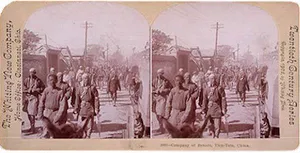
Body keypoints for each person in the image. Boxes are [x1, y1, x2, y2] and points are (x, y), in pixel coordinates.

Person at [74, 73, 99, 138]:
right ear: (82, 79)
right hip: (82, 109)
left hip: (90, 108)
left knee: (89, 126)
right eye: (84, 78)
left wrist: (96, 108)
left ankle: (88, 136)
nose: (85, 80)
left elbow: (96, 98)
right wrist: (76, 109)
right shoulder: (79, 88)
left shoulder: (92, 88)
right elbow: (77, 99)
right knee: (81, 126)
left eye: (87, 78)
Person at [201, 74, 227, 138]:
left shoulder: (219, 88)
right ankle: (213, 134)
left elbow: (223, 99)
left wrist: (223, 109)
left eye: (213, 79)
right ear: (209, 80)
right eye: (211, 79)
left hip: (217, 109)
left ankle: (216, 136)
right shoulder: (206, 89)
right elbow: (204, 100)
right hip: (209, 109)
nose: (212, 80)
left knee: (217, 126)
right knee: (210, 125)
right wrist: (203, 110)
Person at [23, 68, 45, 133]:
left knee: (32, 113)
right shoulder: (26, 80)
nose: (31, 74)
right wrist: (27, 90)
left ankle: (33, 128)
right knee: (28, 114)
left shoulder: (38, 80)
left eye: (33, 72)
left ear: (35, 73)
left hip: (34, 98)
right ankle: (31, 126)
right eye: (30, 72)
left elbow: (43, 87)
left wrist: (37, 90)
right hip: (27, 98)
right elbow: (23, 88)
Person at [152, 68, 173, 134]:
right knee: (157, 114)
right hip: (155, 98)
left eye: (160, 74)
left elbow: (170, 89)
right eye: (158, 73)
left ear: (162, 74)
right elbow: (151, 87)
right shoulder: (154, 80)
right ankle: (160, 126)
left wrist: (164, 91)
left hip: (162, 99)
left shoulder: (166, 81)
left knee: (161, 114)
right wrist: (154, 90)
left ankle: (163, 128)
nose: (159, 75)